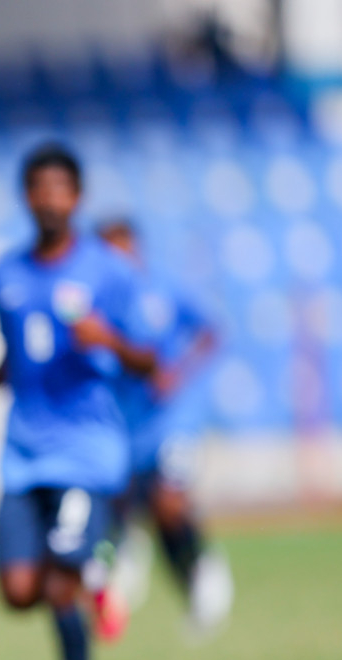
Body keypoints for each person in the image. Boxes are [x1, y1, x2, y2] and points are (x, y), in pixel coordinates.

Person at [0, 143, 153, 660]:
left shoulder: (108, 271)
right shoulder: (8, 271)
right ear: (27, 196)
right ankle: (97, 568)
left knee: (58, 584)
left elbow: (148, 361)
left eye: (62, 188)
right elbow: (18, 355)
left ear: (77, 198)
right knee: (17, 591)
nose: (51, 199)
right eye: (40, 188)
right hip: (23, 454)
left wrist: (105, 338)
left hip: (87, 453)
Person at [96, 218, 233, 636]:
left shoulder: (164, 289)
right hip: (127, 425)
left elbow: (210, 331)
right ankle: (166, 578)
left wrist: (179, 372)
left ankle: (205, 572)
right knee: (134, 510)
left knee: (169, 501)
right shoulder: (95, 302)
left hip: (175, 418)